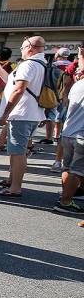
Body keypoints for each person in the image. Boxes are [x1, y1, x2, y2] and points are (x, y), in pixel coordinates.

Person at [0, 36, 47, 197]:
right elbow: (12, 82)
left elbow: (18, 90)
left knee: (18, 152)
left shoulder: (28, 65)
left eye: (22, 47)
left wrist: (5, 113)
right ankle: (11, 180)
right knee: (17, 150)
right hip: (30, 114)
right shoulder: (41, 64)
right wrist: (0, 70)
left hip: (21, 114)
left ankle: (15, 187)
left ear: (30, 48)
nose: (21, 50)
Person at [54, 47, 84, 216]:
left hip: (68, 132)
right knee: (77, 170)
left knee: (68, 167)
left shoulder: (77, 85)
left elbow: (66, 102)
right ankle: (65, 201)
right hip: (81, 134)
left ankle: (68, 195)